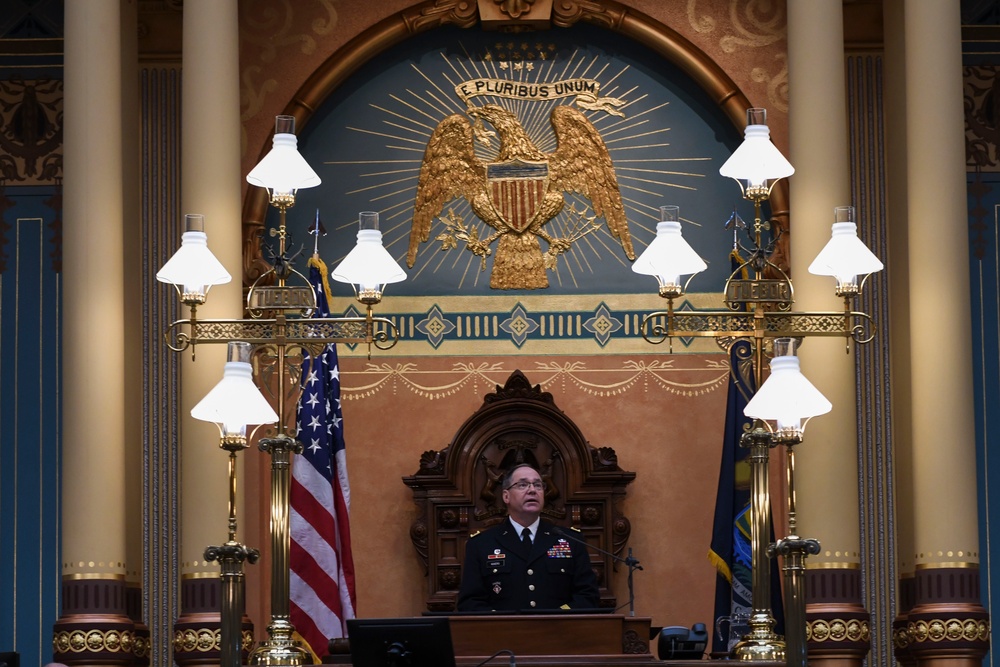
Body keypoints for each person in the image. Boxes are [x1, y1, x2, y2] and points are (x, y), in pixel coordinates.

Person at [457, 462, 600, 612]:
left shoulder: (570, 540)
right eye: (523, 485)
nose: (532, 490)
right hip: (505, 633)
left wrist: (556, 618)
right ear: (506, 496)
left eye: (538, 485)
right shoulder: (481, 544)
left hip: (558, 631)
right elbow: (470, 603)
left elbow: (587, 597)